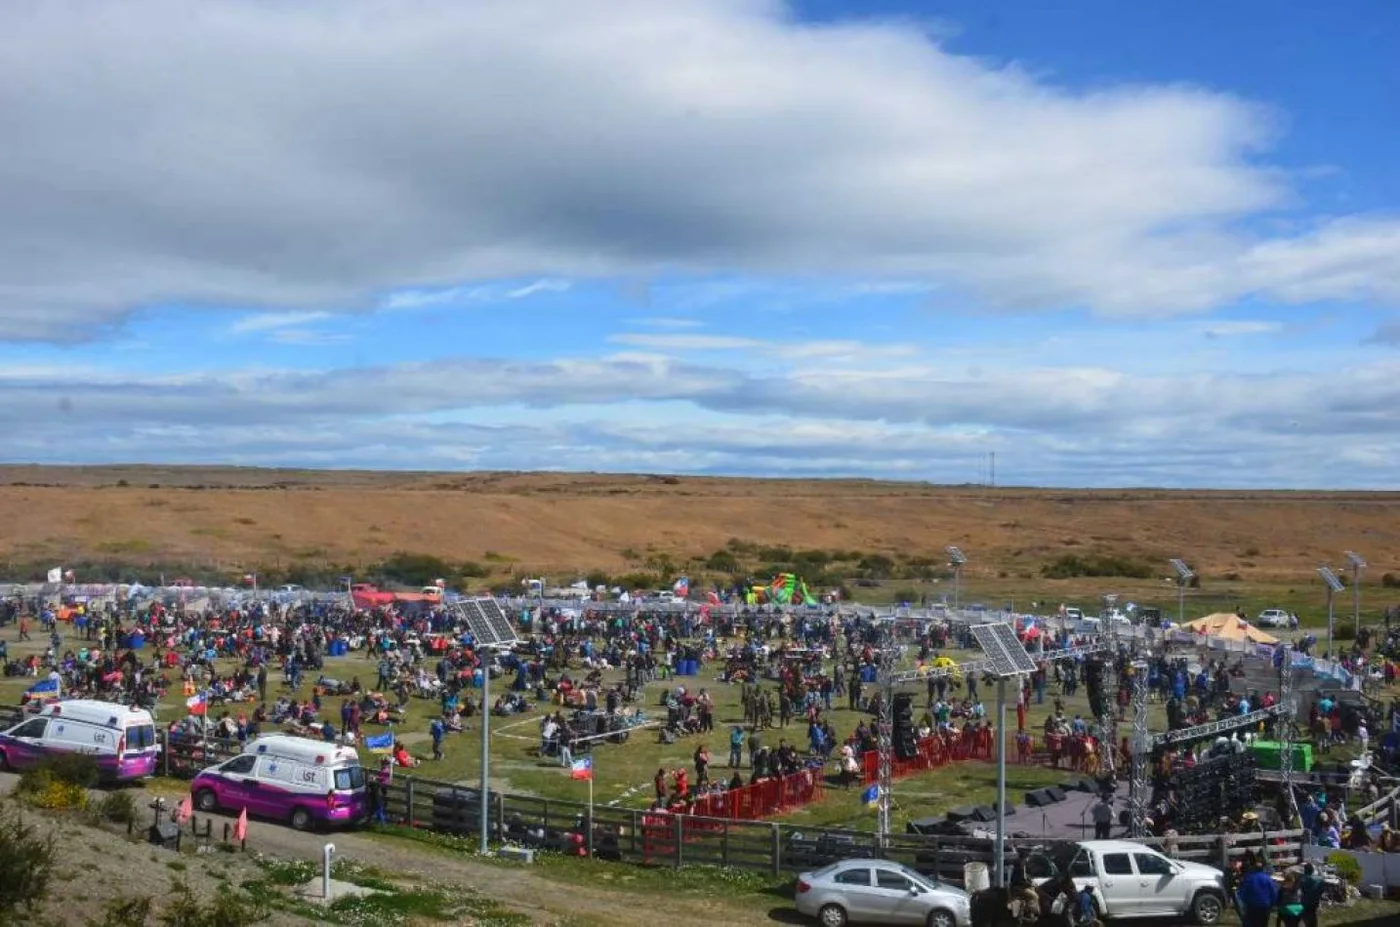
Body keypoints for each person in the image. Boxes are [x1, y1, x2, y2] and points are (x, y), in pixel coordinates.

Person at [1234, 858, 1277, 927]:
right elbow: (1274, 892)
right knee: (1263, 924)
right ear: (1263, 868)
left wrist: (1245, 903)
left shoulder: (1249, 878)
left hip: (1252, 906)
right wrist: (1272, 904)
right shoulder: (1268, 879)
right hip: (1265, 906)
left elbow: (1242, 893)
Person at [1299, 863, 1325, 927]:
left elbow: (1302, 891)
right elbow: (1322, 890)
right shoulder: (1320, 879)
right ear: (1312, 870)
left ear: (1305, 870)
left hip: (1306, 902)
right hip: (1315, 902)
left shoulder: (1302, 879)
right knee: (1313, 915)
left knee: (1307, 917)